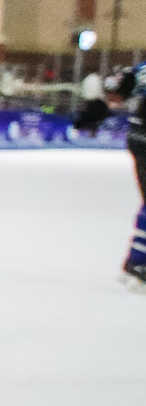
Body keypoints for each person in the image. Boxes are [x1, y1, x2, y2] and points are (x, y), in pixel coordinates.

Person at [71, 61, 145, 289]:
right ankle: (139, 263)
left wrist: (95, 111)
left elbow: (118, 87)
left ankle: (136, 260)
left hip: (138, 136)